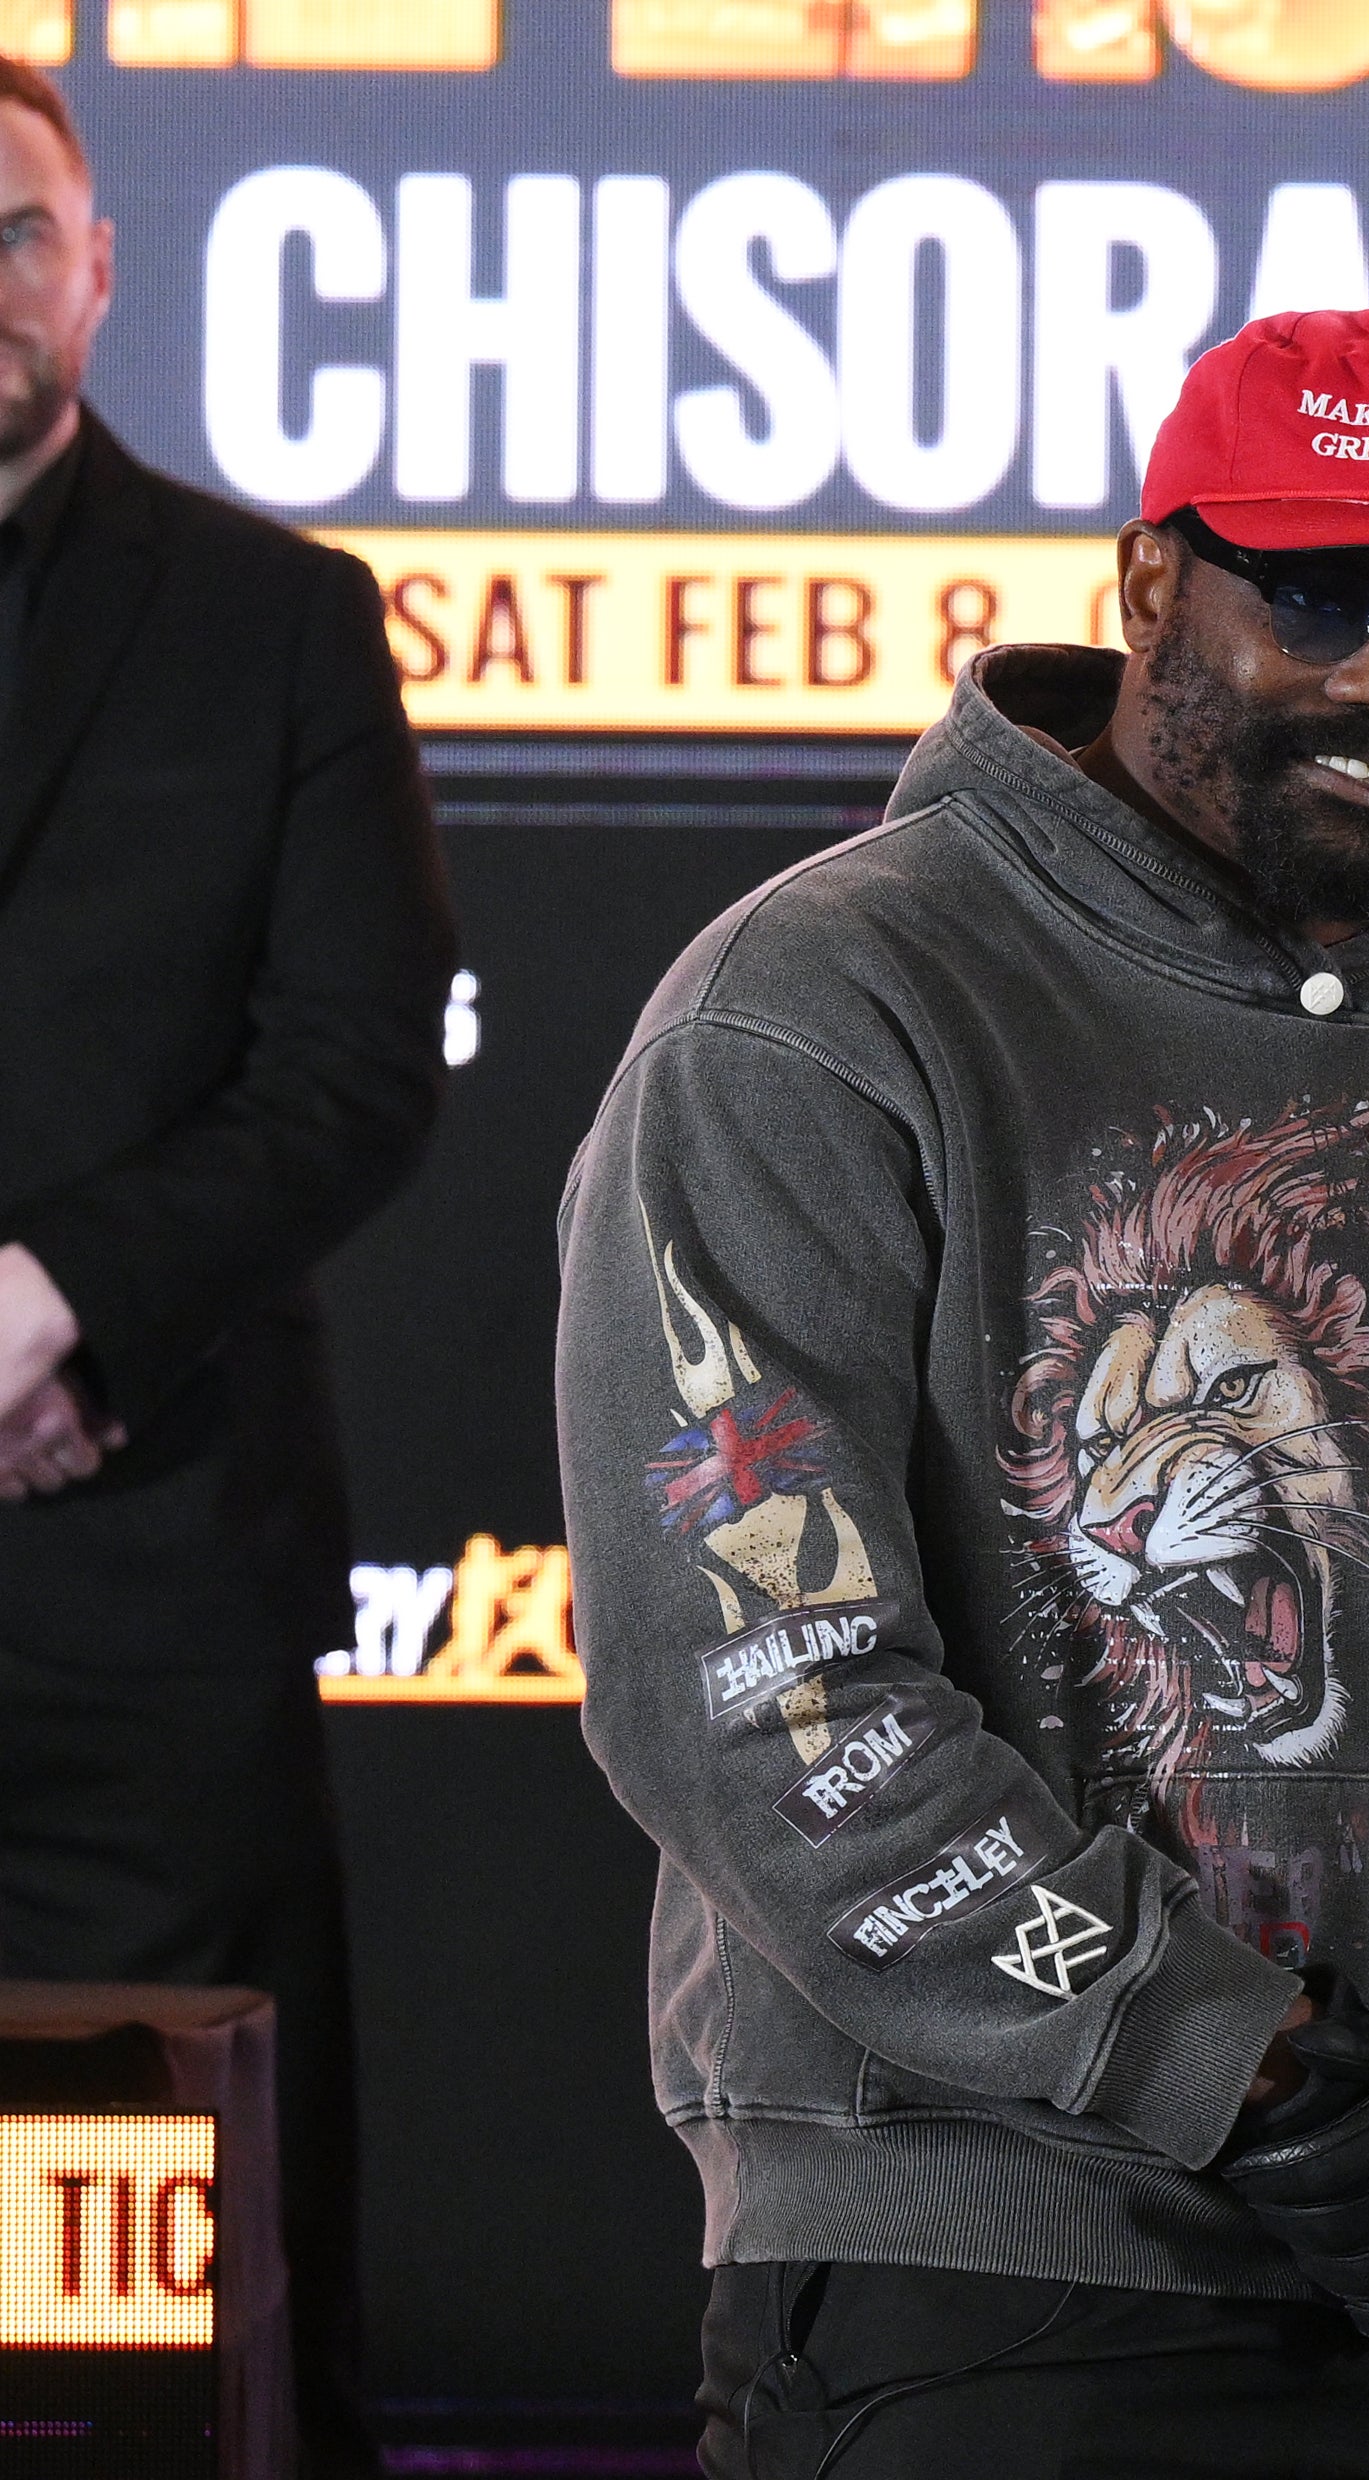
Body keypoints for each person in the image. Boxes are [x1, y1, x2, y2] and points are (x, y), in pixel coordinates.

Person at [556, 308, 1369, 2478]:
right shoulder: (822, 1009)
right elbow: (765, 1680)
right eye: (1324, 594)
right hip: (984, 2287)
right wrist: (1207, 2051)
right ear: (1153, 576)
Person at [0, 59, 453, 2479]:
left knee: (207, 2303)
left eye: (12, 231)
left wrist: (53, 1299)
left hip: (155, 1602)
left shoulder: (279, 622)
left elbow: (362, 1064)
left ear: (97, 265)